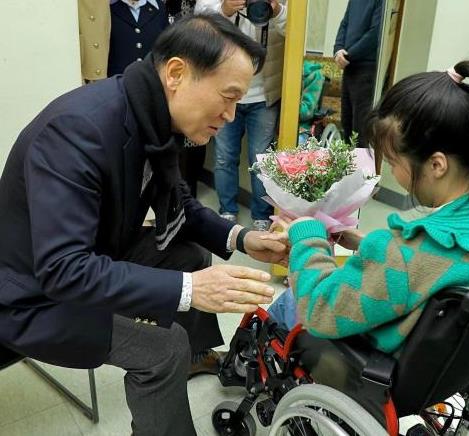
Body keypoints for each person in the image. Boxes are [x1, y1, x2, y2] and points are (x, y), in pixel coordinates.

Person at [0, 14, 287, 435]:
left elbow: (181, 204)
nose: (230, 115)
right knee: (163, 349)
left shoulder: (150, 116)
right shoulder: (78, 130)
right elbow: (63, 269)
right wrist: (191, 290)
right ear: (176, 73)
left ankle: (193, 358)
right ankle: (174, 363)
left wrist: (244, 238)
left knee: (191, 256)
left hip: (96, 255)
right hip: (32, 296)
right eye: (228, 98)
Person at [265, 61, 469, 352]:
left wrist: (307, 234)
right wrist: (366, 245)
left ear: (437, 165)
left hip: (370, 361)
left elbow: (319, 312)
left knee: (289, 303)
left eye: (392, 162)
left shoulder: (401, 254)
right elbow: (440, 266)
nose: (392, 172)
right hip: (450, 359)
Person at [195, 0, 287, 231]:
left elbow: (294, 32)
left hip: (264, 95)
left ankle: (262, 215)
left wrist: (276, 10)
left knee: (262, 161)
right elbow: (199, 21)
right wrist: (224, 9)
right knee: (224, 157)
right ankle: (227, 211)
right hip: (225, 91)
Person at [334, 0, 383, 148]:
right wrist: (338, 50)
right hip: (349, 67)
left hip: (366, 69)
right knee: (346, 123)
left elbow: (375, 34)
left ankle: (360, 164)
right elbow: (344, 24)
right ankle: (347, 162)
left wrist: (348, 55)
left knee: (360, 128)